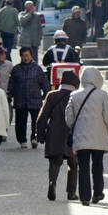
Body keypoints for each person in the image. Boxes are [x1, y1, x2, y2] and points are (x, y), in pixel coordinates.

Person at [65, 65, 108, 206]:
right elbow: (107, 116)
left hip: (81, 136)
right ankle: (98, 192)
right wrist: (107, 131)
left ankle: (85, 197)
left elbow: (69, 118)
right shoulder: (102, 95)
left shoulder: (74, 95)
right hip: (98, 136)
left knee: (83, 166)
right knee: (98, 165)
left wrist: (74, 126)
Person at [36, 70, 78, 201]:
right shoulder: (76, 97)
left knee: (55, 161)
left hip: (54, 134)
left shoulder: (52, 95)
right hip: (72, 135)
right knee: (73, 163)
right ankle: (71, 192)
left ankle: (52, 183)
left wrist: (40, 135)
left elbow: (42, 118)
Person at [9, 47, 46, 148]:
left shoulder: (37, 69)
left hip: (34, 99)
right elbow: (11, 84)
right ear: (20, 56)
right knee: (20, 121)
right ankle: (22, 140)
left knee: (36, 121)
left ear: (31, 56)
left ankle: (34, 138)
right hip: (20, 99)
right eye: (23, 56)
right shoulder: (16, 69)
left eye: (27, 56)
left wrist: (45, 95)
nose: (25, 58)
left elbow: (44, 84)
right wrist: (10, 95)